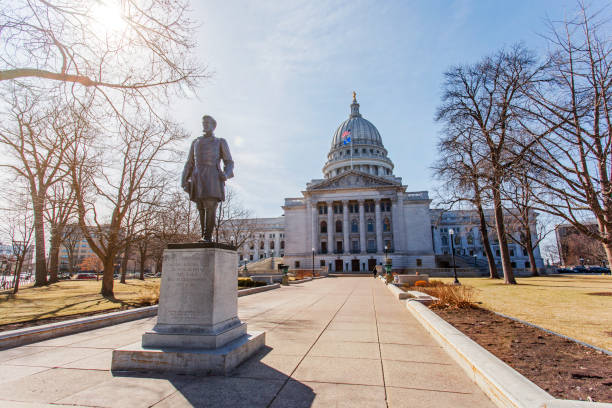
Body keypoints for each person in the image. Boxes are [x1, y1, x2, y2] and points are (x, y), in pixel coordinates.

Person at [181, 115, 234, 241]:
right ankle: (203, 235)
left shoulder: (220, 141)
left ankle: (207, 236)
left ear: (213, 126)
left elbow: (229, 162)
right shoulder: (196, 142)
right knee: (200, 207)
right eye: (203, 123)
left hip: (213, 176)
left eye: (207, 123)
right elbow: (189, 162)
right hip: (197, 176)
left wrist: (226, 174)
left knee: (210, 205)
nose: (205, 125)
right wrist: (183, 180)